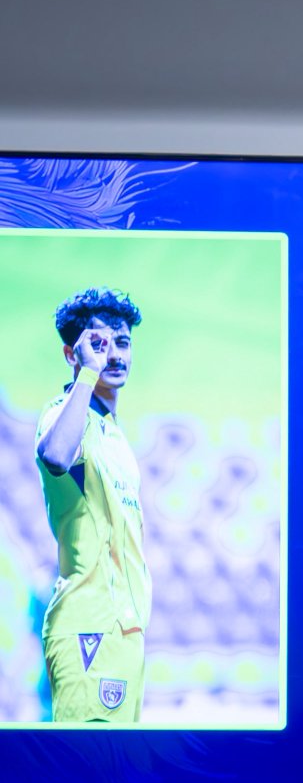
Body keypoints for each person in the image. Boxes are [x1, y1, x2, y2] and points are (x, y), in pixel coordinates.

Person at [37, 288, 150, 723]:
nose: (114, 356)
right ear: (72, 353)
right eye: (100, 345)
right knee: (89, 765)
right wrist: (88, 372)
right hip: (88, 629)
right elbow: (55, 456)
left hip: (127, 634)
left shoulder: (114, 434)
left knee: (121, 764)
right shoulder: (65, 414)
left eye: (122, 343)